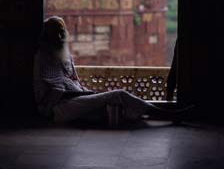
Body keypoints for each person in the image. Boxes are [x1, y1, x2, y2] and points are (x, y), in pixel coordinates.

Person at [33, 16, 191, 125]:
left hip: (74, 101)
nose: (61, 36)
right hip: (59, 108)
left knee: (116, 108)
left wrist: (88, 93)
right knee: (119, 95)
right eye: (57, 33)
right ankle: (167, 114)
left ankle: (159, 114)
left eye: (62, 32)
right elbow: (57, 91)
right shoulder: (44, 58)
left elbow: (74, 83)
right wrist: (89, 94)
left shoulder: (65, 56)